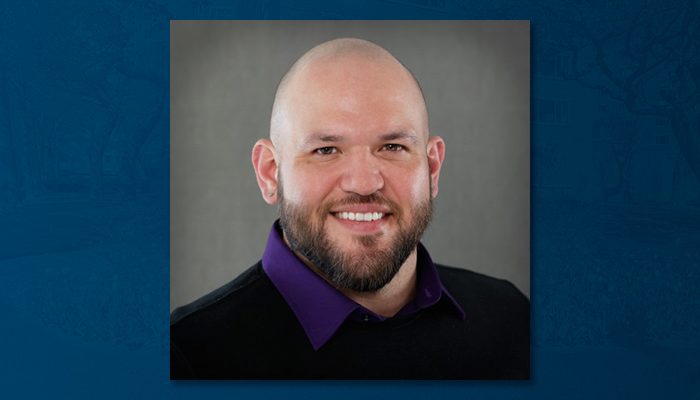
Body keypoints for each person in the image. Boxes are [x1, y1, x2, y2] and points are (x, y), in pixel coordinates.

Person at [170, 38, 529, 379]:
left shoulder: (512, 318)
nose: (363, 182)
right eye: (326, 150)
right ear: (269, 173)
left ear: (432, 168)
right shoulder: (185, 357)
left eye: (392, 146)